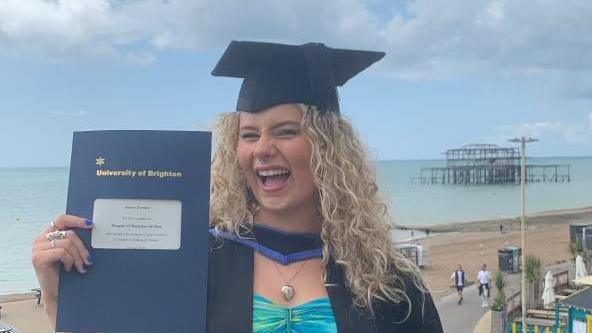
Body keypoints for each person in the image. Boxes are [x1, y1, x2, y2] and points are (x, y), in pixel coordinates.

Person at [32, 41, 443, 332]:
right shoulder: (198, 262)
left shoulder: (388, 284)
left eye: (285, 131)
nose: (262, 149)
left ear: (328, 148)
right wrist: (58, 298)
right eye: (249, 135)